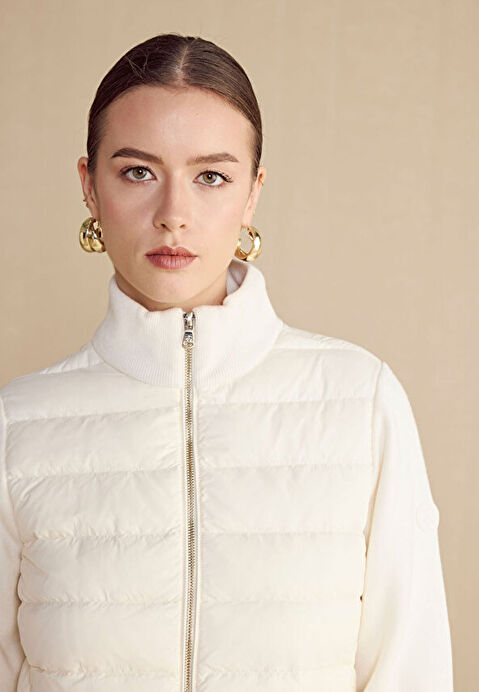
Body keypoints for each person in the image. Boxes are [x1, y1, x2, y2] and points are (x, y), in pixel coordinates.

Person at [0, 33, 453, 692]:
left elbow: (409, 666)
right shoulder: (16, 427)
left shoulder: (360, 401)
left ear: (251, 194)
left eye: (210, 176)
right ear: (89, 187)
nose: (173, 215)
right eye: (137, 172)